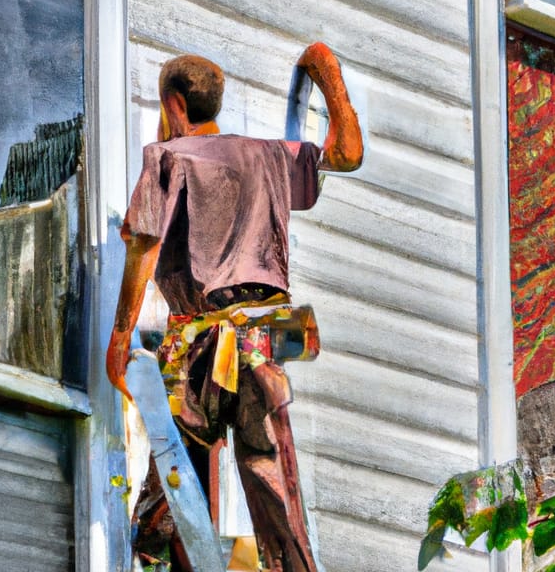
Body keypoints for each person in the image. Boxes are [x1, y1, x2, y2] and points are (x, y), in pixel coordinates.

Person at [106, 43, 363, 572]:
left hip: (198, 355)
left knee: (166, 509)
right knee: (276, 502)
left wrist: (118, 339)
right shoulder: (267, 155)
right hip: (261, 347)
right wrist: (325, 68)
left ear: (174, 104)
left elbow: (145, 240)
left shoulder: (168, 157)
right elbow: (347, 154)